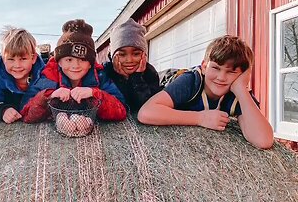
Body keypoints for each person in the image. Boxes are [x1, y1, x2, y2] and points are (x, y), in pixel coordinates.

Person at [138, 35, 274, 149]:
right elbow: (146, 113)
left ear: (242, 75)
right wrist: (200, 118)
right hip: (166, 80)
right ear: (204, 66)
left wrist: (241, 89)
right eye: (216, 68)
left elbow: (263, 140)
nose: (221, 77)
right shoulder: (191, 81)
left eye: (231, 71)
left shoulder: (238, 94)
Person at [20, 19, 127, 123]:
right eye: (69, 60)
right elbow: (25, 112)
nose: (75, 66)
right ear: (59, 62)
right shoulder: (49, 76)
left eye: (82, 60)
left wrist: (95, 94)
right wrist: (49, 96)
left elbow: (121, 110)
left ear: (90, 63)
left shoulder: (99, 76)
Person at [0, 27, 44, 123]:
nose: (17, 65)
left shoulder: (43, 74)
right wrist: (3, 111)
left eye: (23, 59)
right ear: (4, 59)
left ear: (33, 58)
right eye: (10, 59)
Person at [103, 18, 161, 111]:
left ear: (144, 55)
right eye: (122, 54)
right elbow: (118, 105)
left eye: (136, 54)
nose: (129, 60)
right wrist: (122, 79)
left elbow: (148, 106)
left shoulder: (150, 72)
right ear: (112, 56)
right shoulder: (105, 71)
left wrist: (136, 78)